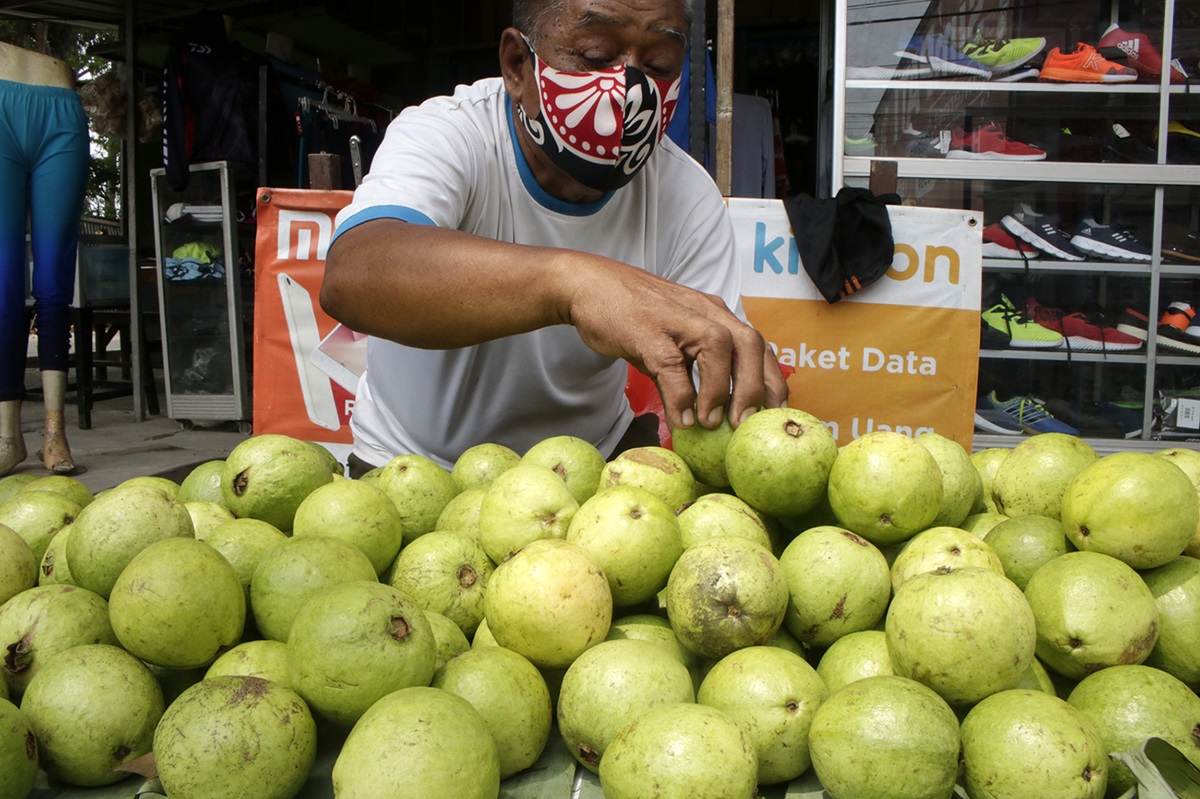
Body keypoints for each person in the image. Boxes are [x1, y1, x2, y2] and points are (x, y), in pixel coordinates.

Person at [322, 0, 788, 473]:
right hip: (413, 468)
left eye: (659, 65)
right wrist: (574, 283)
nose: (628, 87)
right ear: (516, 65)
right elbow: (355, 272)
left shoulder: (684, 192)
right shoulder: (449, 133)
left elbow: (713, 367)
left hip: (589, 468)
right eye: (594, 54)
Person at [0, 43, 89, 477]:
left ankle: (55, 434)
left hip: (61, 107)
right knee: (4, 283)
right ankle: (6, 437)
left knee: (54, 279)